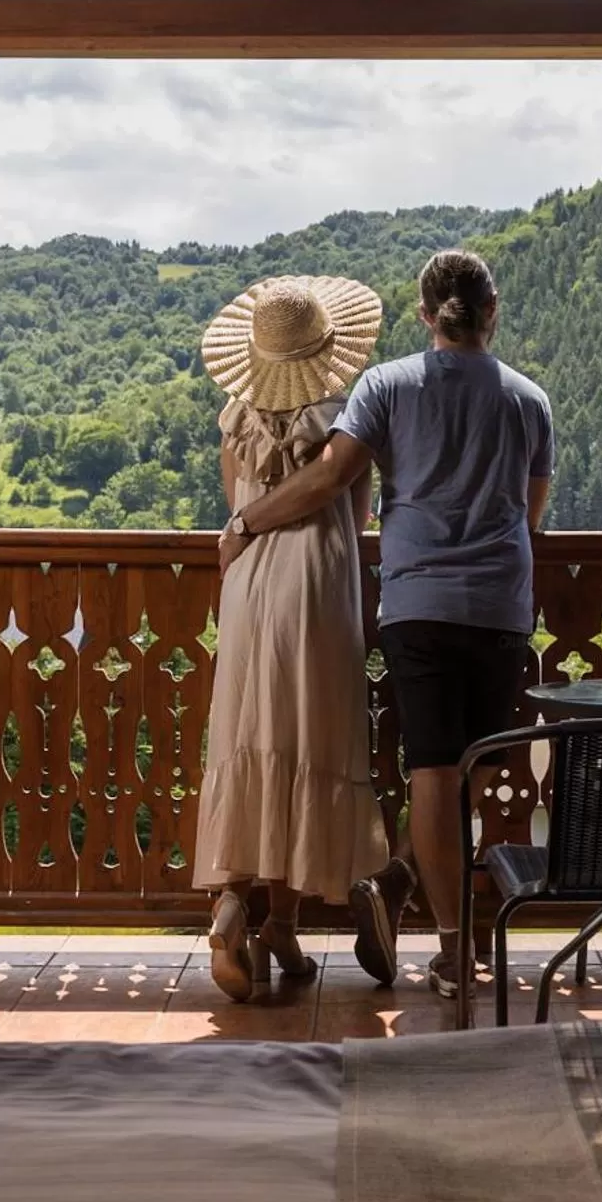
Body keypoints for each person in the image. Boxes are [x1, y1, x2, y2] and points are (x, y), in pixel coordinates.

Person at [219, 249, 553, 999]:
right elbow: (530, 515)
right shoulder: (528, 401)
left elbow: (333, 477)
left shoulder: (386, 386)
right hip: (500, 604)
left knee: (433, 773)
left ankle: (437, 932)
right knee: (476, 770)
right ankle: (412, 899)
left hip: (416, 602)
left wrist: (246, 521)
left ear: (425, 315)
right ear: (492, 312)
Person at [194, 274, 396, 1001]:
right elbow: (354, 505)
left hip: (247, 577)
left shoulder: (235, 416)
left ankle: (236, 913)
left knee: (252, 737)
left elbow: (237, 502)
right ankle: (282, 916)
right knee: (307, 740)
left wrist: (248, 525)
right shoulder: (349, 416)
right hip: (318, 577)